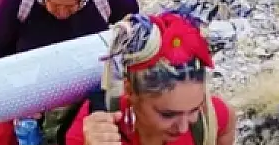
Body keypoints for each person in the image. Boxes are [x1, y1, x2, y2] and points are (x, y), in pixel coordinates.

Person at [0, 0, 140, 145]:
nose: (62, 12)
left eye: (70, 6)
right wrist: (18, 90)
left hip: (88, 84)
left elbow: (133, 18)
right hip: (35, 84)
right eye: (55, 5)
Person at [66, 12, 235, 145]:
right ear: (130, 90)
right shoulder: (93, 133)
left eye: (194, 110)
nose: (184, 128)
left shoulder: (211, 119)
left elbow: (224, 120)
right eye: (168, 114)